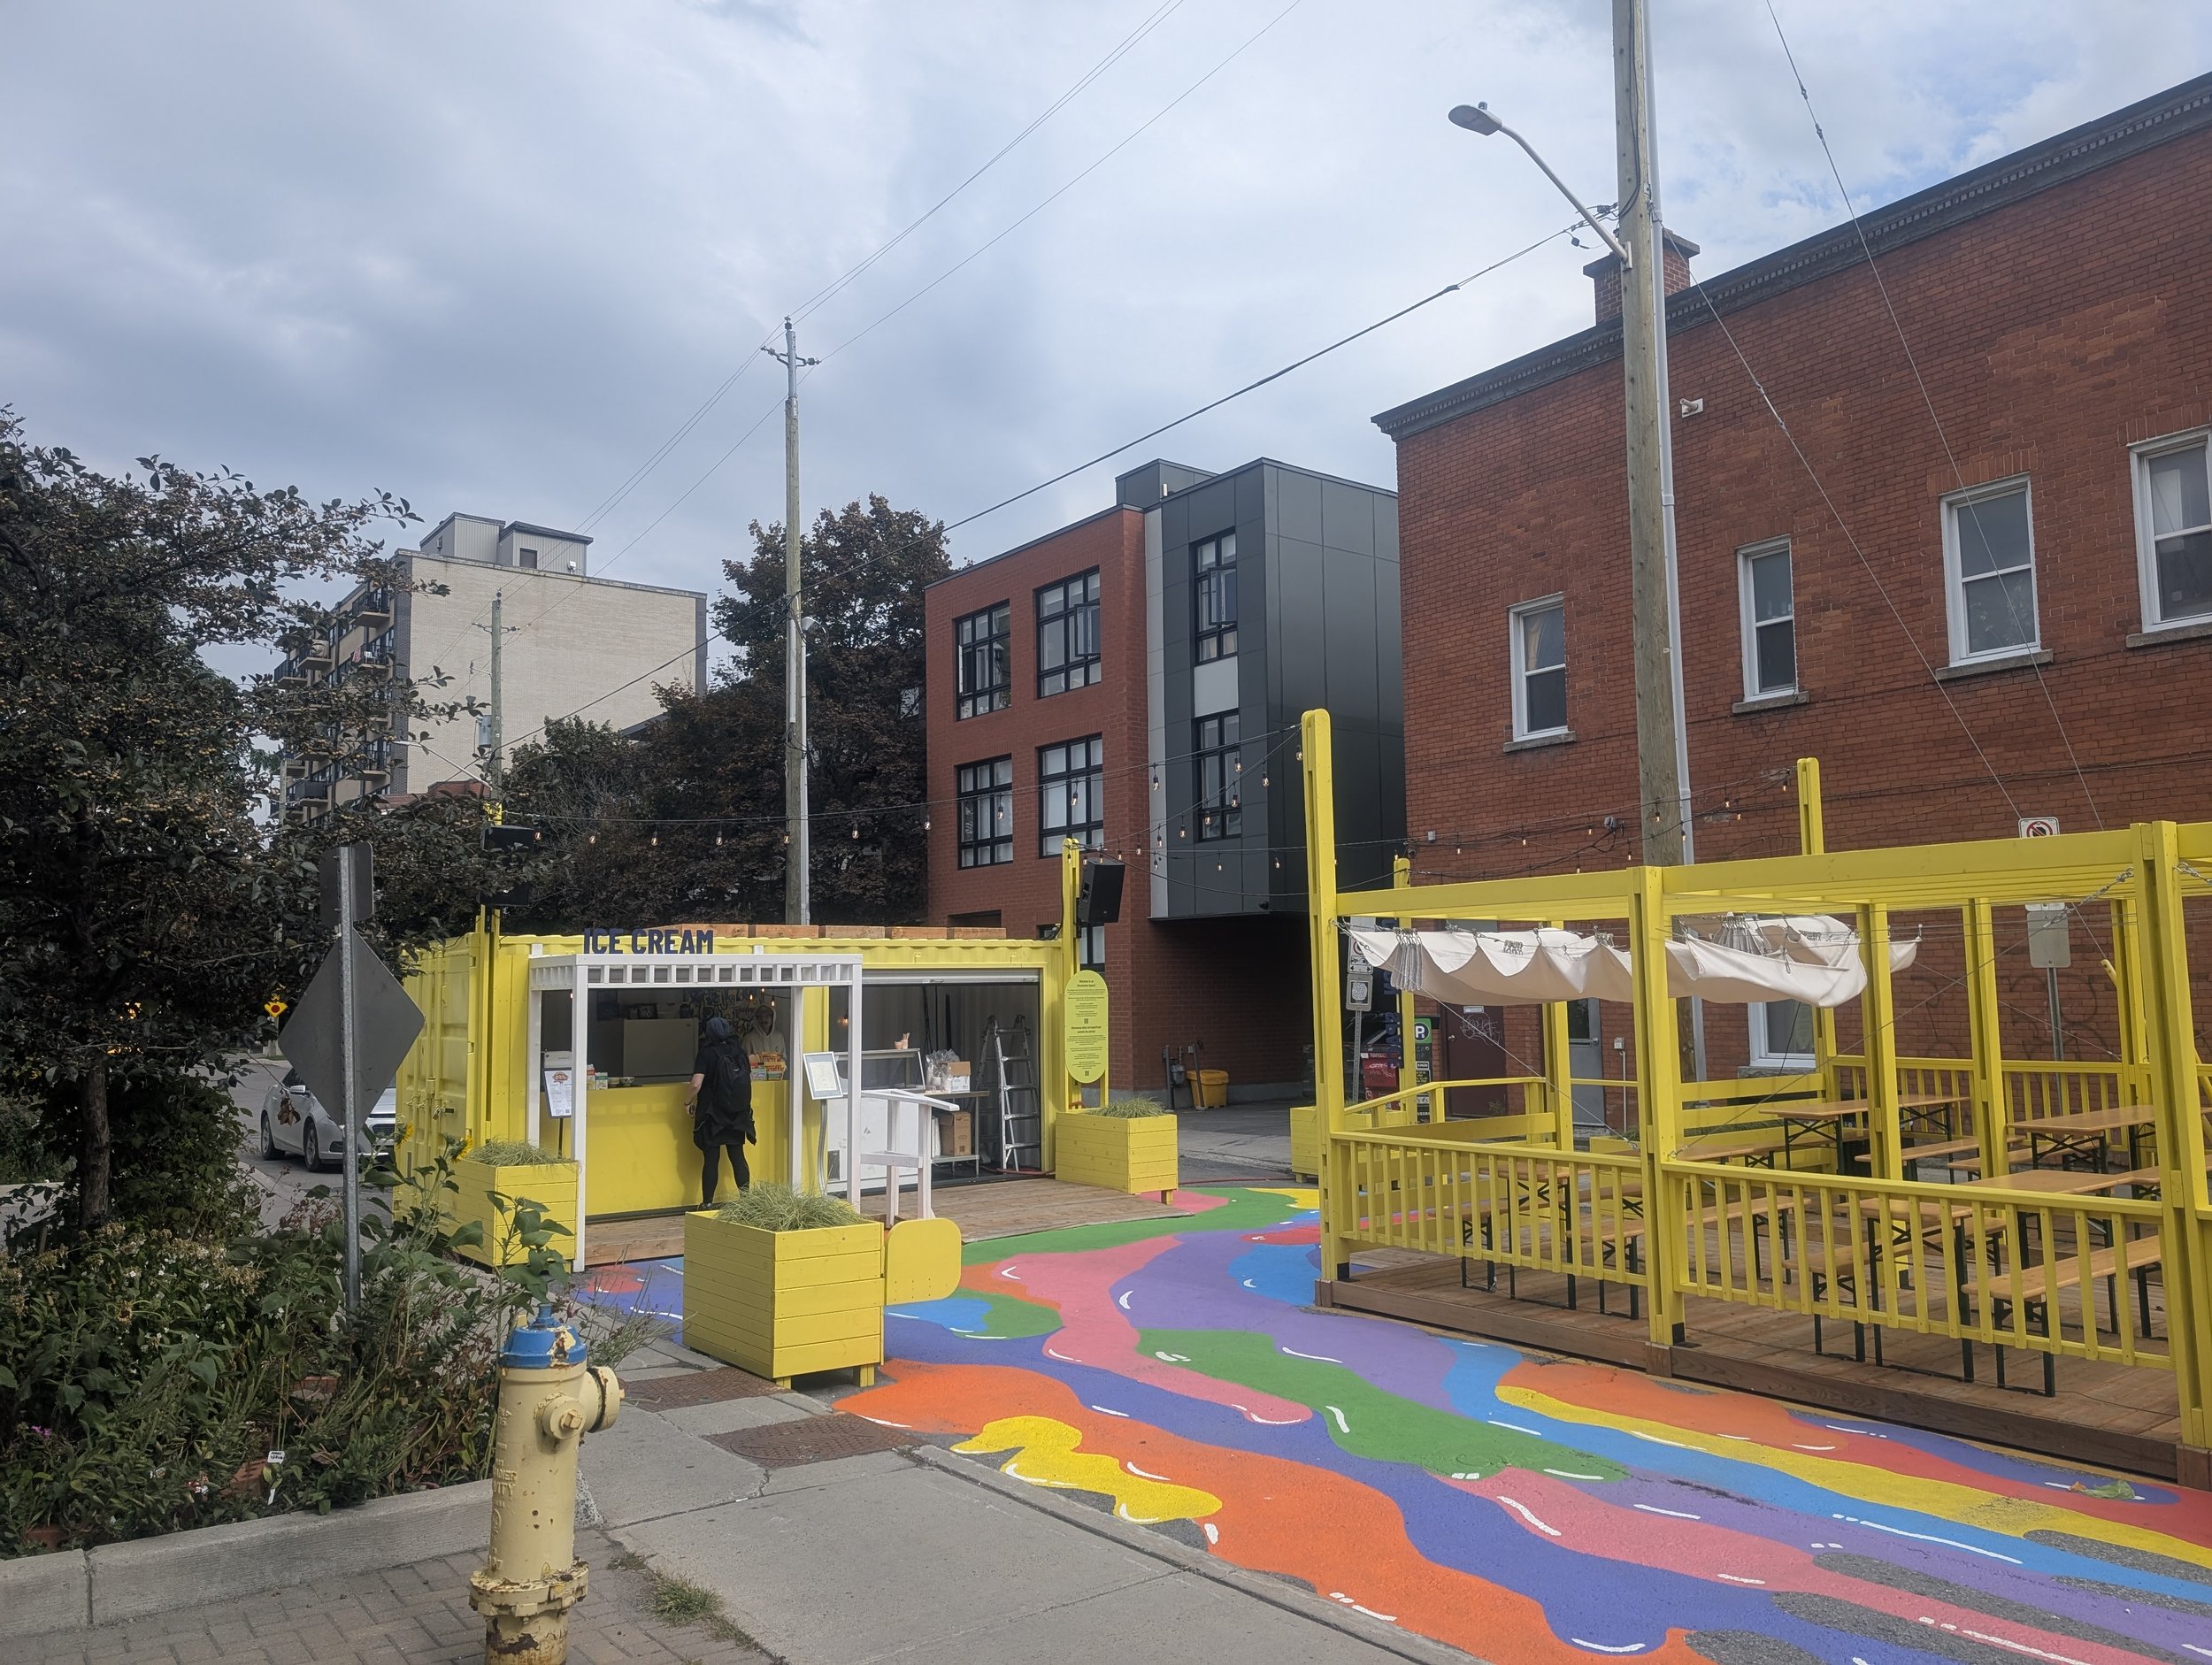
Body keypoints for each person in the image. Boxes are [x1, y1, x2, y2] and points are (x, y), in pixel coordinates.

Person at [687, 1015, 754, 1205]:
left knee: (711, 1159)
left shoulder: (706, 1053)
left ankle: (707, 1203)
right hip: (737, 1112)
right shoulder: (739, 1051)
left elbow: (696, 1084)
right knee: (738, 1157)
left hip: (712, 1114)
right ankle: (748, 1202)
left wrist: (686, 1102)